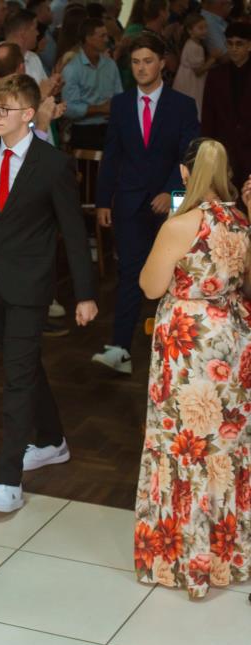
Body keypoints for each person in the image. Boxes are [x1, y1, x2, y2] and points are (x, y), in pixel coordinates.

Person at [0, 74, 97, 512]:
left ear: (28, 115)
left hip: (31, 285)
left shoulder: (52, 164)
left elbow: (71, 229)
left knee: (16, 376)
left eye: (2, 110)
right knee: (23, 364)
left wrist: (84, 294)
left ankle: (8, 479)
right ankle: (51, 440)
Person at [133, 137, 250, 599]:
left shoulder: (181, 225)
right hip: (232, 335)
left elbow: (149, 285)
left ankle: (183, 558)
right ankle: (227, 554)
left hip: (189, 339)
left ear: (185, 175)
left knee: (183, 445)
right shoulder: (240, 222)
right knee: (224, 443)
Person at [93, 33, 200, 376]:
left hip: (175, 199)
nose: (141, 68)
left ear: (163, 64)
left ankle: (175, 350)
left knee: (176, 274)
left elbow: (191, 154)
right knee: (130, 274)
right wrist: (102, 201)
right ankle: (120, 347)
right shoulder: (121, 103)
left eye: (148, 61)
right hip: (128, 201)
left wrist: (170, 193)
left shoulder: (182, 105)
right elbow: (112, 155)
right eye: (135, 62)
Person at [201, 22, 251, 198]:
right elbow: (208, 116)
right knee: (224, 206)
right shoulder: (215, 75)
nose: (234, 48)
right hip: (223, 154)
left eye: (239, 44)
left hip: (249, 152)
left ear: (249, 45)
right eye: (229, 43)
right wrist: (208, 153)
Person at [61, 17, 123, 149]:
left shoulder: (110, 65)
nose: (107, 40)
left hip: (110, 126)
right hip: (84, 130)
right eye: (102, 36)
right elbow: (69, 108)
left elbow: (119, 95)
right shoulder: (72, 69)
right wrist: (100, 109)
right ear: (88, 39)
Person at [173, 12, 215, 118]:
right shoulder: (194, 47)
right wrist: (212, 59)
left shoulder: (195, 45)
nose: (204, 31)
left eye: (206, 27)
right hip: (191, 83)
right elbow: (198, 71)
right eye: (200, 28)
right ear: (190, 30)